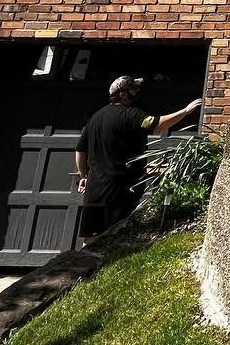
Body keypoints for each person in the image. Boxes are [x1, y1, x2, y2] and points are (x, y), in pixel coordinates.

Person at [74, 75, 203, 245]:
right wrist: (186, 111)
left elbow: (80, 151)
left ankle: (85, 270)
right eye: (133, 88)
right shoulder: (131, 114)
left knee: (90, 237)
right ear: (123, 94)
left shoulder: (96, 117)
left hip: (94, 189)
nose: (137, 91)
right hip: (119, 187)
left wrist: (84, 176)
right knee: (116, 234)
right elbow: (157, 124)